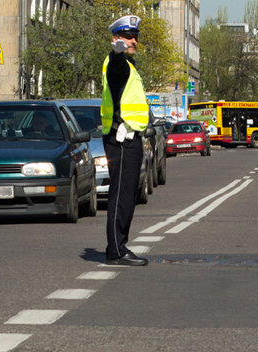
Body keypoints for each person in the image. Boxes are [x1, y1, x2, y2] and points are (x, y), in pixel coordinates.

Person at [101, 15, 149, 266]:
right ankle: (116, 250)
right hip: (121, 138)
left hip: (130, 138)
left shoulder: (131, 67)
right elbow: (115, 71)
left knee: (128, 194)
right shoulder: (116, 63)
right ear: (116, 39)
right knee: (121, 194)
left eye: (135, 38)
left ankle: (119, 246)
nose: (133, 41)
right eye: (128, 37)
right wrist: (118, 54)